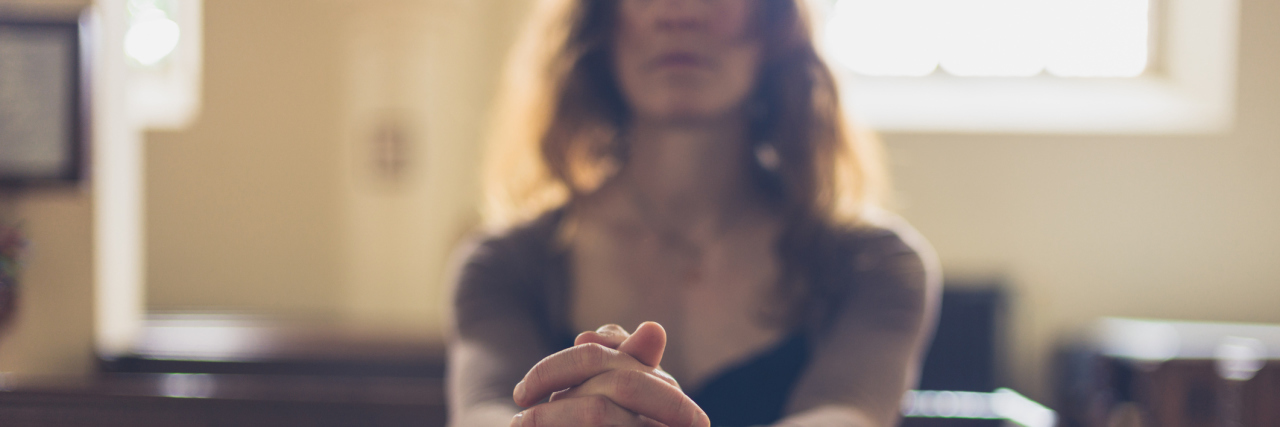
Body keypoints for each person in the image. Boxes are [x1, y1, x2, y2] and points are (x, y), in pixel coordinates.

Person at [446, 1, 941, 426]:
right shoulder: (502, 263)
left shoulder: (874, 265)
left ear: (772, 25)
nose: (679, 13)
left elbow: (844, 416)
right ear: (602, 23)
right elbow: (486, 415)